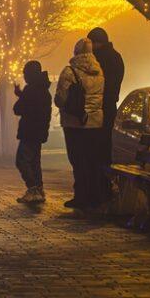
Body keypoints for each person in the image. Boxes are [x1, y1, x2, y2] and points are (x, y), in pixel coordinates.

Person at [54, 37, 105, 209]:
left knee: (77, 160)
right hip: (95, 122)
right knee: (92, 160)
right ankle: (94, 196)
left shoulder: (69, 72)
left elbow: (60, 99)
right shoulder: (99, 71)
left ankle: (81, 195)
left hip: (74, 122)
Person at [88, 27, 124, 196]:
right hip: (109, 107)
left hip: (101, 107)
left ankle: (101, 188)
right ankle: (103, 186)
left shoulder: (100, 60)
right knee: (104, 147)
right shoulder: (116, 57)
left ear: (97, 43)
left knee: (98, 148)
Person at [13, 60, 52, 204]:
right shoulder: (43, 89)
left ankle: (33, 188)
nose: (24, 76)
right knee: (35, 161)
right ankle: (39, 189)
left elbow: (18, 109)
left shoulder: (31, 90)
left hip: (29, 131)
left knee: (22, 160)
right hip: (39, 131)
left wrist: (21, 96)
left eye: (25, 73)